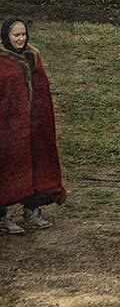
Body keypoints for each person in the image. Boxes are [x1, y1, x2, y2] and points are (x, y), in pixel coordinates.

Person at [1, 17, 67, 234]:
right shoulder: (2, 62)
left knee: (37, 165)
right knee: (8, 167)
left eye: (23, 34)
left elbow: (42, 94)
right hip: (9, 127)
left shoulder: (33, 57)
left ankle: (32, 210)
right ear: (6, 37)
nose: (21, 39)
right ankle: (2, 217)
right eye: (16, 35)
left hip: (33, 126)